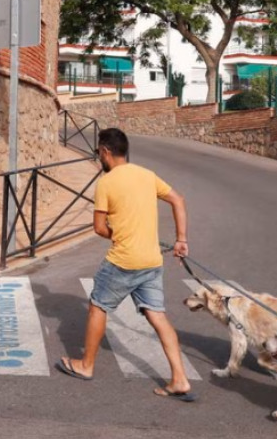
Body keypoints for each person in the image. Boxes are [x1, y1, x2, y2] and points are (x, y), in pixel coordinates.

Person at [56, 127, 195, 402]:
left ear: (106, 151)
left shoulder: (106, 183)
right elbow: (178, 200)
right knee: (157, 315)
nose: (99, 157)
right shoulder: (146, 175)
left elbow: (98, 228)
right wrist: (181, 240)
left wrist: (116, 234)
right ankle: (179, 378)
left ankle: (86, 365)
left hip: (124, 261)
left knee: (98, 305)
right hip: (152, 260)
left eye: (98, 152)